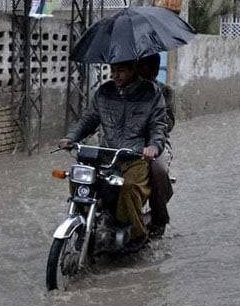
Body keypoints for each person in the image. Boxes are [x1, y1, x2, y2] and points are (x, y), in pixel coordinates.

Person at [58, 60, 167, 248]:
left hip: (135, 157)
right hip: (105, 155)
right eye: (113, 70)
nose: (115, 75)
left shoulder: (151, 93)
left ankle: (135, 234)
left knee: (129, 187)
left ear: (133, 70)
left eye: (121, 71)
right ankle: (85, 223)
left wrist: (154, 147)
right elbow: (89, 120)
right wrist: (71, 137)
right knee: (79, 179)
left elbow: (159, 126)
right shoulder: (104, 91)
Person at [137, 54, 175, 239]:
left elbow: (168, 123)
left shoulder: (164, 91)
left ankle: (159, 219)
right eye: (141, 68)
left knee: (158, 169)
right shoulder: (128, 90)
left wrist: (153, 113)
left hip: (156, 144)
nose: (144, 73)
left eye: (149, 69)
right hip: (128, 143)